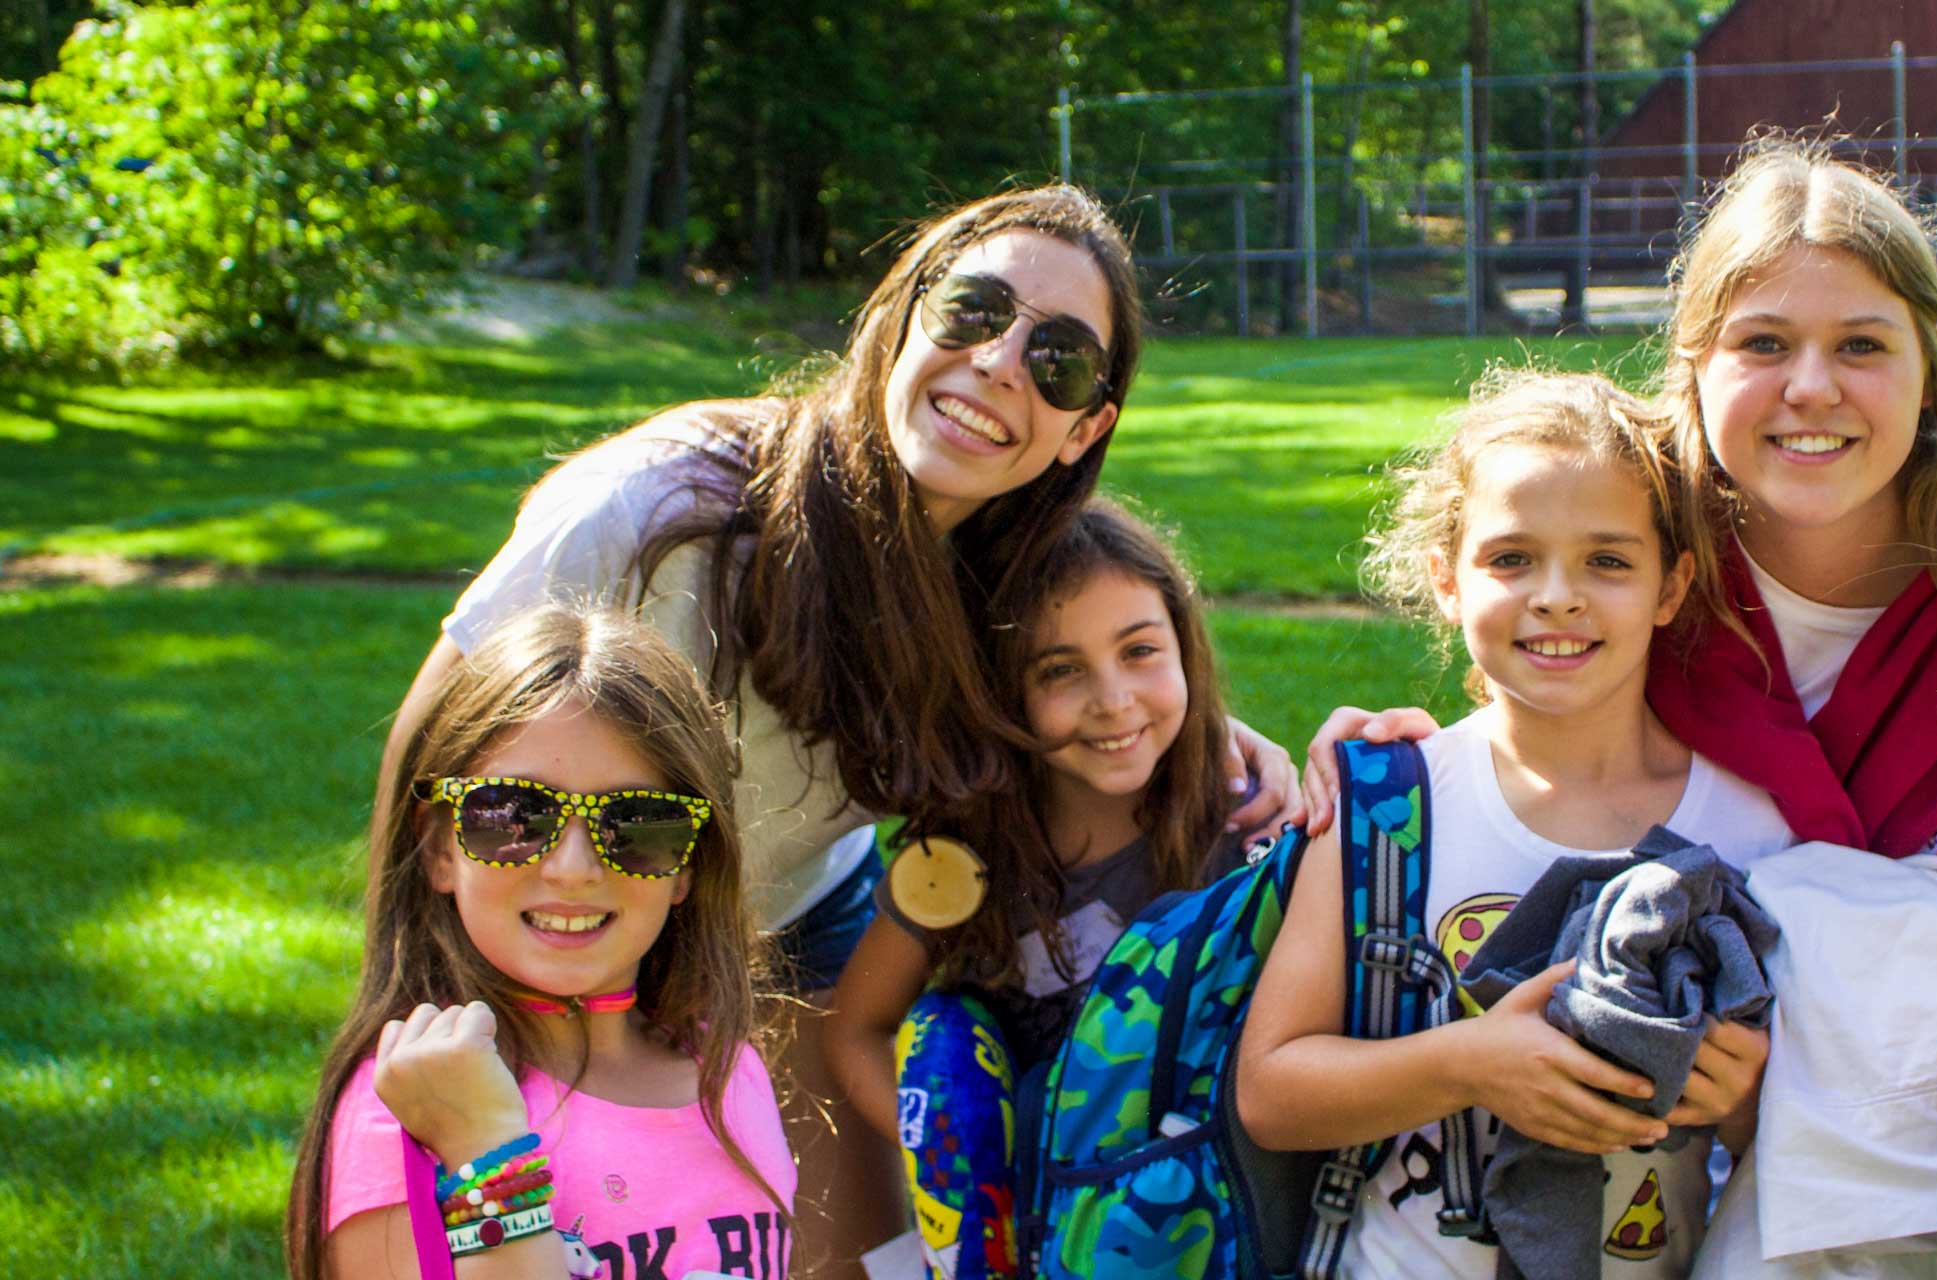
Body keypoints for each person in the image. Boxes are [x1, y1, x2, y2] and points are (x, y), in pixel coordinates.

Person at [370, 184, 1300, 1273]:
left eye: (1059, 360)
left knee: (841, 1252)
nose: (1001, 361)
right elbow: (429, 748)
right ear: (900, 313)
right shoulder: (659, 506)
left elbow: (1102, 668)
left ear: (1084, 426)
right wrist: (406, 984)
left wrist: (1229, 736)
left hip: (794, 920)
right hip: (566, 892)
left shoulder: (1006, 578)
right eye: (971, 309)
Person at [1307, 142, 1937, 1275]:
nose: (1812, 388)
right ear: (1692, 363)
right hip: (1653, 1170)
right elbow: (1537, 703)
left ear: (1931, 361)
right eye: (1764, 343)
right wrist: (1396, 757)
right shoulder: (1645, 540)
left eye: (1862, 346)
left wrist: (1812, 989)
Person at [1240, 371, 1799, 1279]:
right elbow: (1270, 1091)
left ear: (1672, 585)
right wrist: (1470, 1063)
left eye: (1608, 562)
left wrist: (1739, 1100)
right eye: (1511, 559)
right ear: (1445, 580)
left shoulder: (1749, 827)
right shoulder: (1388, 807)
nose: (1557, 597)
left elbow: (1803, 1120)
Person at [289, 605, 792, 1279]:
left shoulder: (728, 1072)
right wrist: (485, 1152)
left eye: (638, 822)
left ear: (689, 864)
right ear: (440, 845)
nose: (573, 868)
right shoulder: (412, 1107)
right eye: (514, 814)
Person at [825, 498, 1246, 1140]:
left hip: (1192, 1222)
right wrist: (961, 1176)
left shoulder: (1249, 826)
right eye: (1061, 670)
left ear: (1184, 647)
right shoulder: (957, 861)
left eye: (1139, 651)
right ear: (1000, 691)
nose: (1112, 700)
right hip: (1032, 1229)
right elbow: (857, 1028)